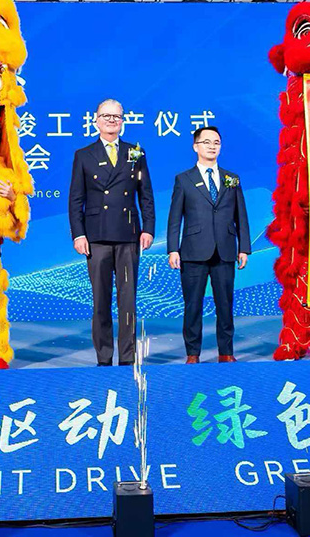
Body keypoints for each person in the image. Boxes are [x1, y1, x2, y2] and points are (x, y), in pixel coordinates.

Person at [69, 99, 155, 366]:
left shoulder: (135, 153)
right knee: (101, 301)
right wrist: (78, 234)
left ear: (123, 121)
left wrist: (148, 228)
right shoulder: (84, 155)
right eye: (106, 116)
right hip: (96, 237)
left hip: (128, 235)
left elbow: (146, 195)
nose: (111, 120)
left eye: (116, 116)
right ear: (96, 120)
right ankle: (104, 358)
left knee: (128, 301)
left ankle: (128, 358)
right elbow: (76, 199)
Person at [167, 126, 250, 363]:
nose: (212, 146)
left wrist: (244, 247)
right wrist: (173, 249)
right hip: (193, 251)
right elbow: (175, 218)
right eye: (207, 142)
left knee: (225, 304)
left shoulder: (232, 179)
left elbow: (241, 215)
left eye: (216, 142)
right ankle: (193, 353)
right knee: (193, 305)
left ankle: (226, 352)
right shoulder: (184, 179)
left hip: (225, 250)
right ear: (196, 146)